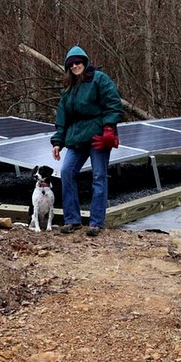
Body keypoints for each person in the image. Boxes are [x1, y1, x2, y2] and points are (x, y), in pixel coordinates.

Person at [51, 45, 123, 237]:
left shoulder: (100, 79)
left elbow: (113, 104)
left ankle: (96, 222)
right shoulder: (69, 89)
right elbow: (62, 118)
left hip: (98, 136)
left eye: (78, 62)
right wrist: (57, 142)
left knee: (99, 177)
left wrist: (109, 128)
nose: (75, 66)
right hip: (76, 137)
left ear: (85, 61)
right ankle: (72, 220)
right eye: (71, 64)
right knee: (66, 172)